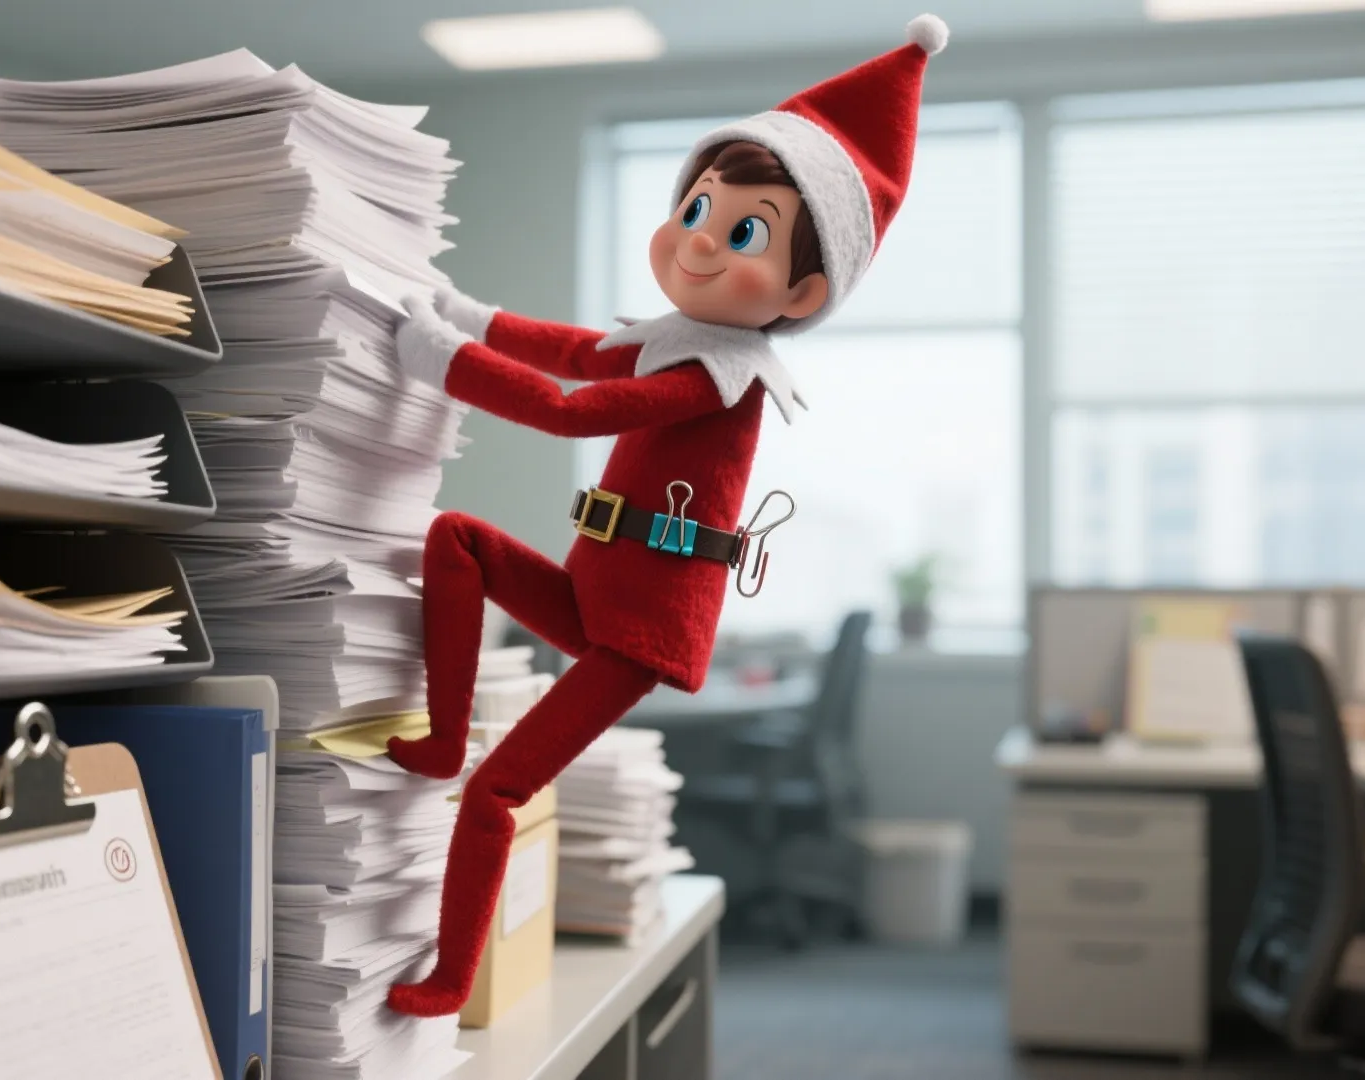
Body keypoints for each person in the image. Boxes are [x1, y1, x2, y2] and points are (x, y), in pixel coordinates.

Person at [384, 13, 951, 1016]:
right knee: (457, 540)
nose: (697, 241)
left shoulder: (721, 375)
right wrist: (469, 315)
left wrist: (447, 362)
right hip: (592, 592)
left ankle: (451, 975)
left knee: (497, 792)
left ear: (803, 289)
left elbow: (572, 410)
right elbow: (571, 351)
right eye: (696, 207)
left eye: (740, 233)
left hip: (638, 634)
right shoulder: (679, 337)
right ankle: (437, 734)